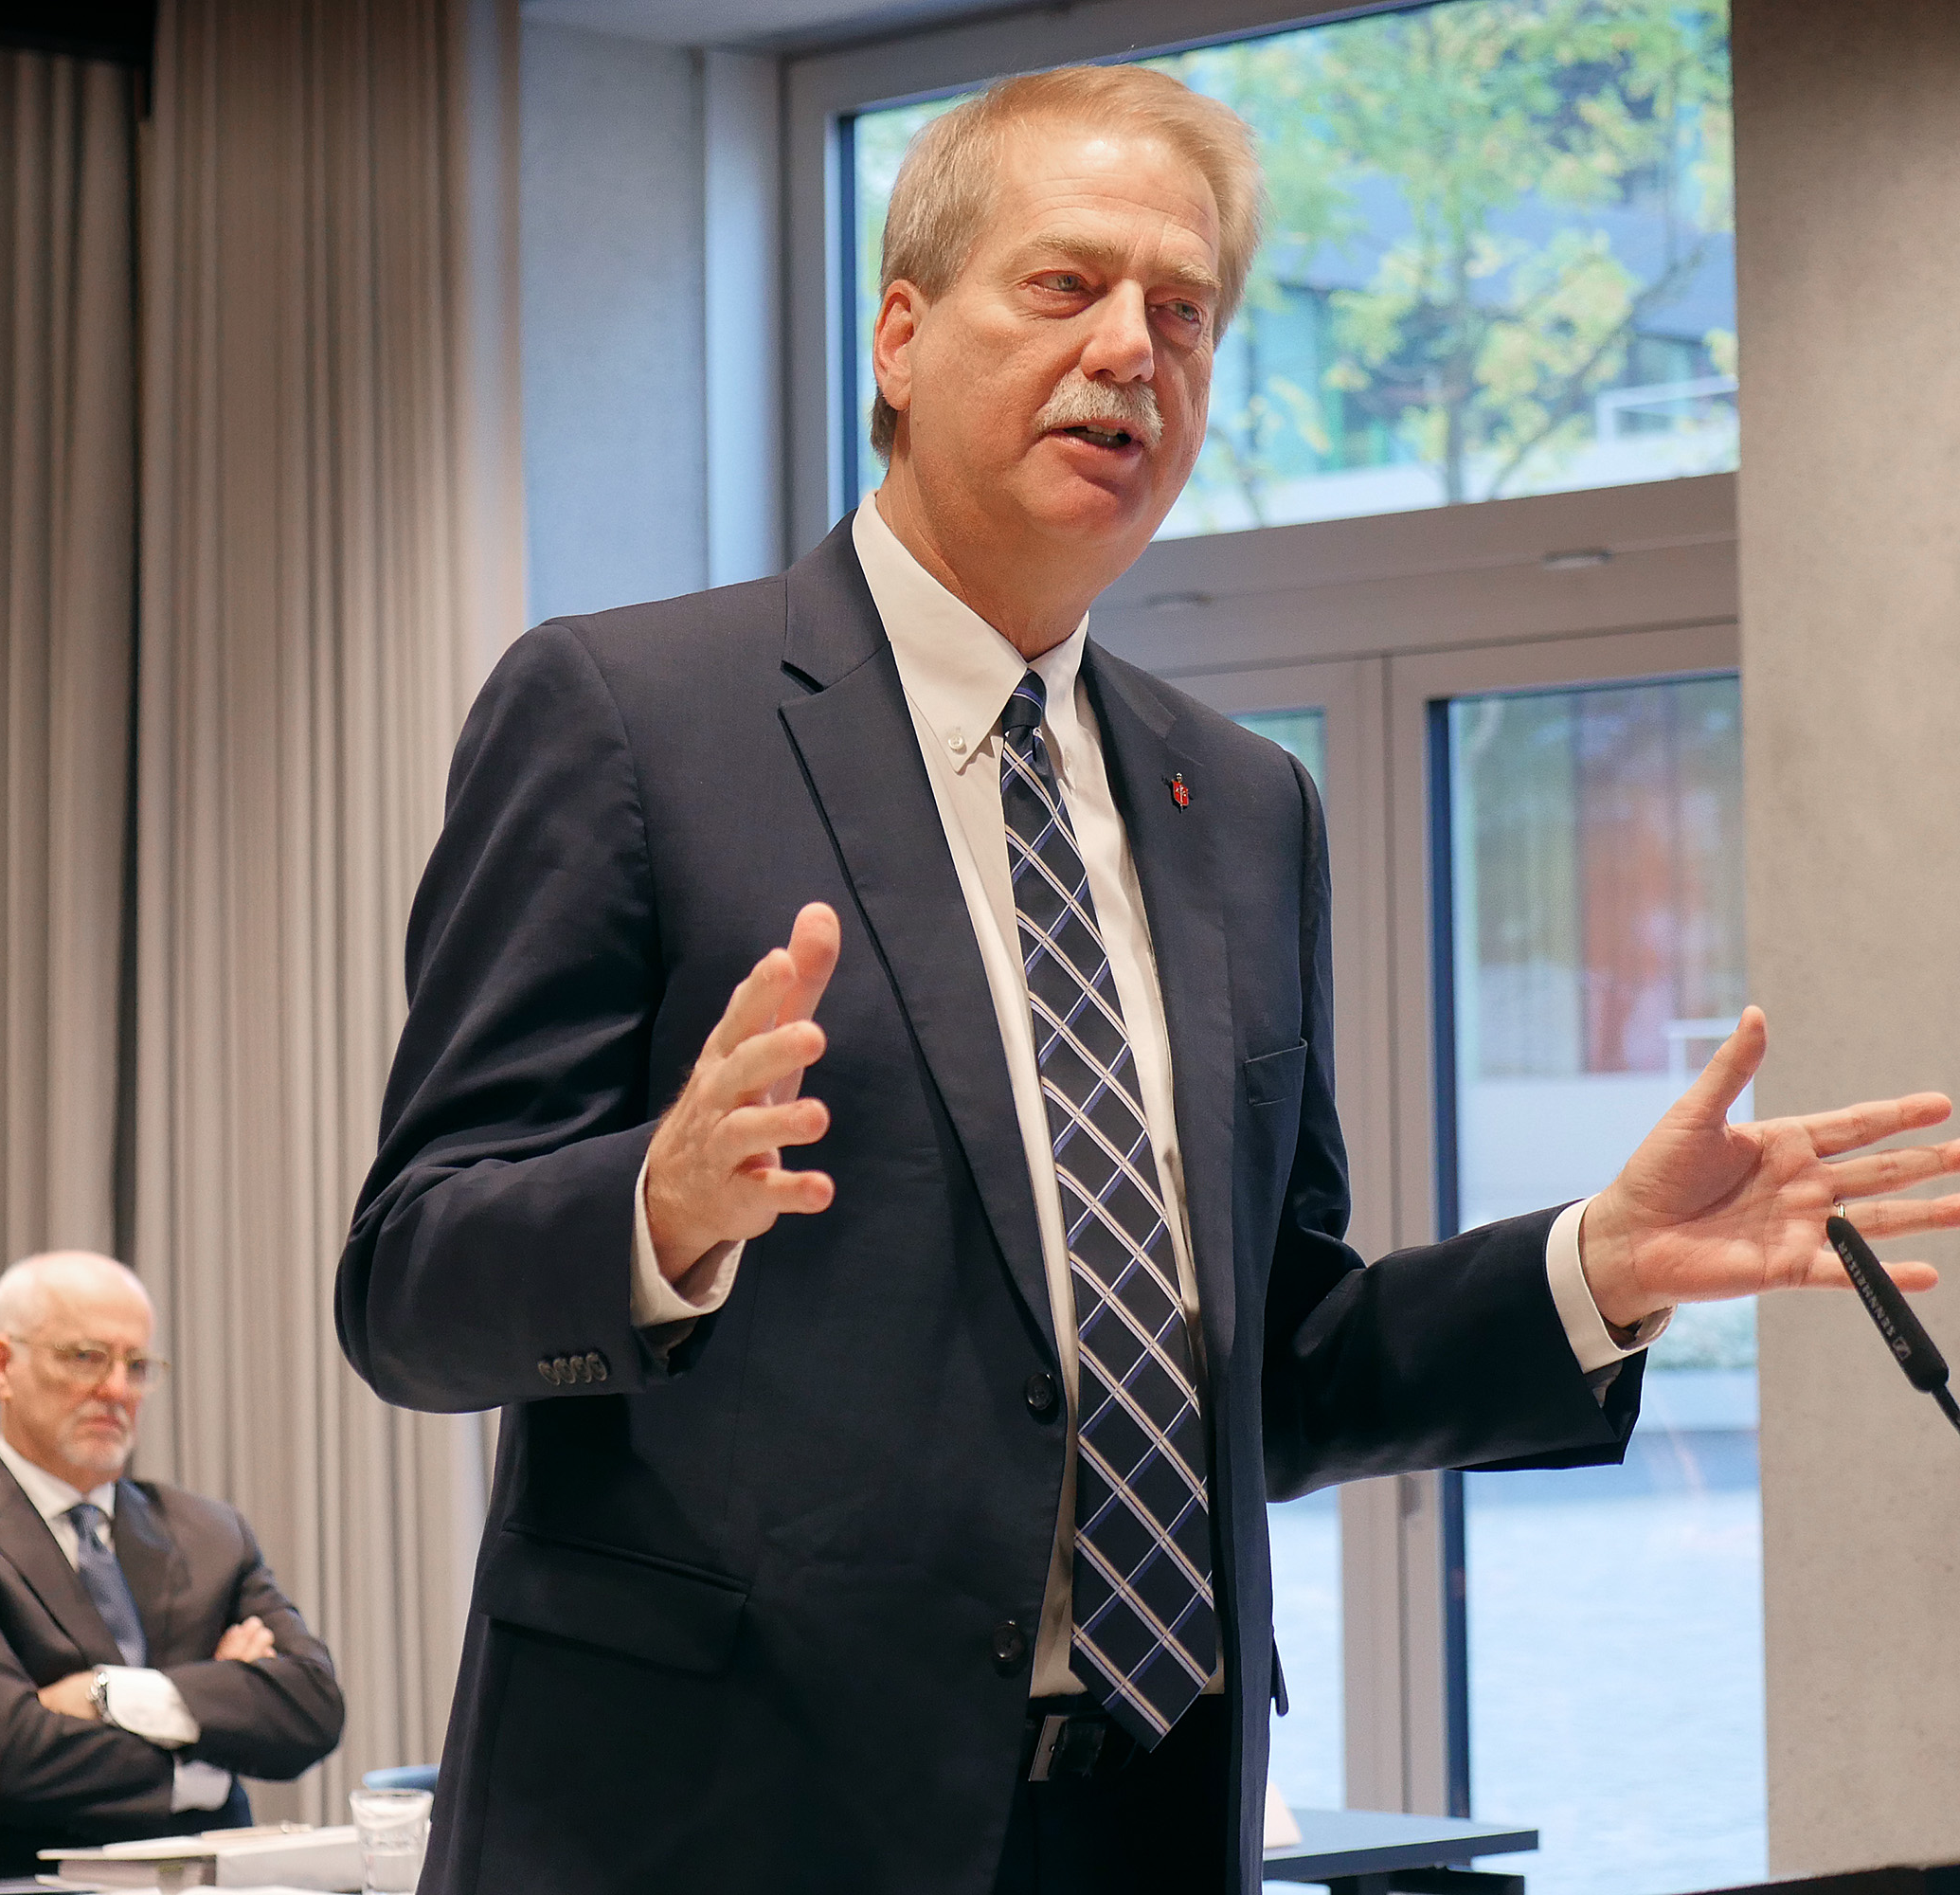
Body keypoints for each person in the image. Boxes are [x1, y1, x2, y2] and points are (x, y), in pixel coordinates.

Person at [334, 63, 1960, 1895]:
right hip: (721, 1816)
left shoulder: (1242, 802)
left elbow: (1278, 1362)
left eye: (1184, 314)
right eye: (1065, 286)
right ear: (896, 334)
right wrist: (651, 1207)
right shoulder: (629, 713)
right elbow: (409, 1282)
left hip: (1150, 1819)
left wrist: (1591, 1271)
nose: (1134, 349)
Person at [0, 1252, 345, 1882]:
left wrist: (104, 1696)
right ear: (3, 1366)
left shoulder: (210, 1534)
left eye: (136, 1366)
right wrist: (204, 1754)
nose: (116, 1389)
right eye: (86, 1357)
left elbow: (312, 1707)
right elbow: (3, 1757)